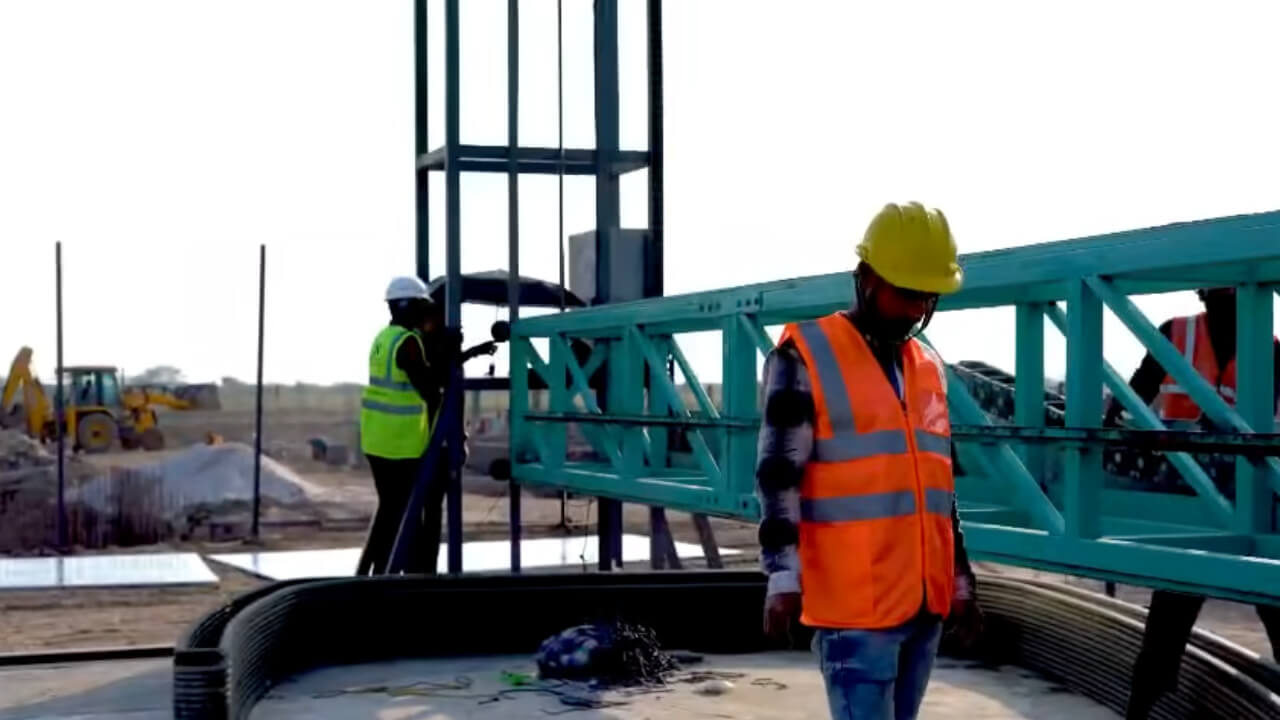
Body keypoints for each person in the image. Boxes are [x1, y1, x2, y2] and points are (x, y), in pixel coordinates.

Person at [756, 202, 982, 720]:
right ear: (865, 279)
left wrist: (961, 584)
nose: (915, 309)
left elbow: (940, 495)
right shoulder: (805, 356)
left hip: (924, 604)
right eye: (906, 292)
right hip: (854, 610)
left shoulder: (927, 368)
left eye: (927, 297)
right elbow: (777, 476)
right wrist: (782, 576)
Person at [1104, 286, 1280, 720]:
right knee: (1167, 626)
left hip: (1251, 510)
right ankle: (1142, 707)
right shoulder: (1175, 334)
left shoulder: (1274, 351)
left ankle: (1142, 706)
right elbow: (1127, 407)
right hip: (1191, 511)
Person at [360, 276, 494, 575]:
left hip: (376, 440)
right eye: (421, 307)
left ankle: (382, 574)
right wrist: (450, 356)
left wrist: (466, 353)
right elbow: (431, 389)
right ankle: (395, 576)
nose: (425, 313)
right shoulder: (408, 343)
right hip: (400, 446)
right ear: (408, 306)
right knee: (405, 516)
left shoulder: (383, 338)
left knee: (391, 512)